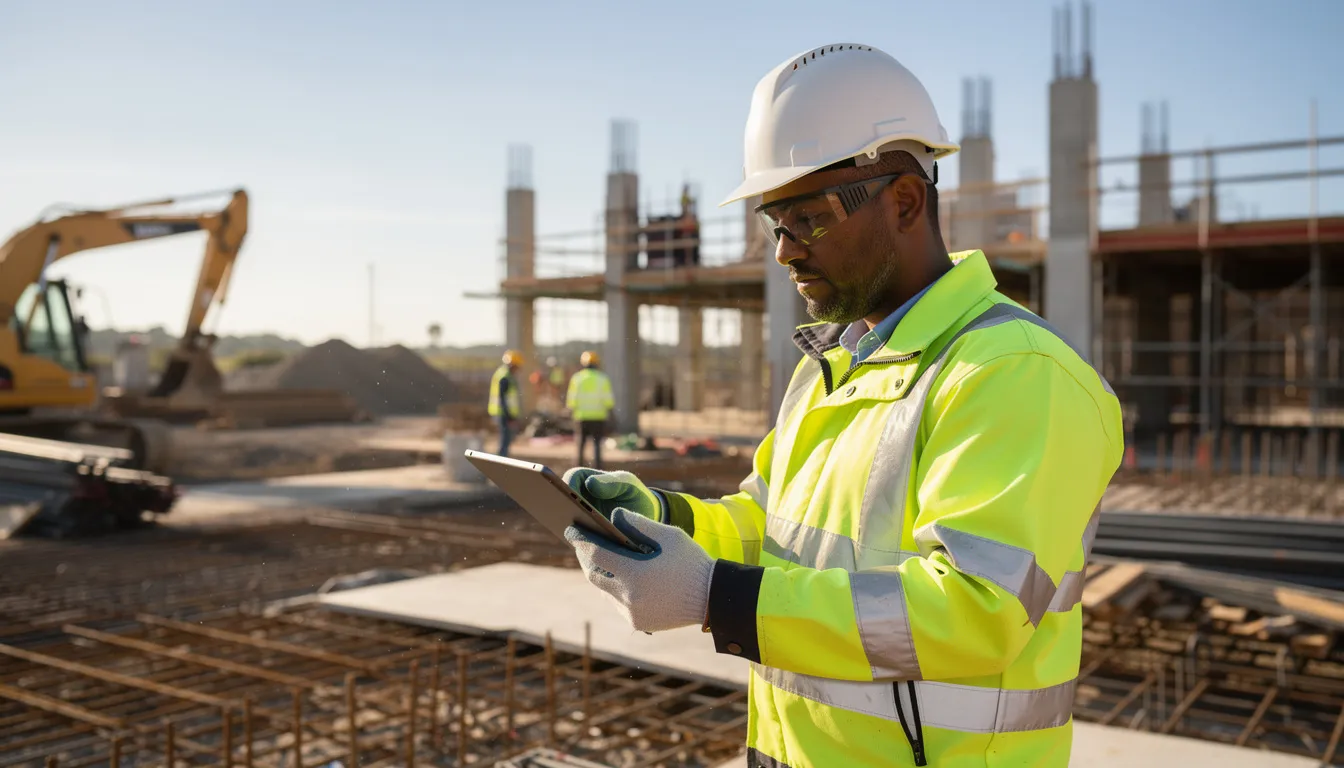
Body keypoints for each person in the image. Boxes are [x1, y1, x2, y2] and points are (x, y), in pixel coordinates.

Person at [560, 44, 1123, 768]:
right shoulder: (830, 368)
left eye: (809, 218)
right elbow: (771, 529)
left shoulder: (1012, 372)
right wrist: (667, 518)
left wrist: (715, 597)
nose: (785, 251)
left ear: (905, 202)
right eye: (775, 223)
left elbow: (977, 612)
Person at [566, 350, 614, 469]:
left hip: (581, 417)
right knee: (597, 445)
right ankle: (598, 469)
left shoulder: (577, 378)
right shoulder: (602, 378)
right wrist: (611, 413)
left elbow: (572, 399)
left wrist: (570, 411)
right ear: (596, 363)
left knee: (580, 444)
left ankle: (578, 469)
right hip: (598, 417)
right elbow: (608, 399)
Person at [487, 350, 523, 457]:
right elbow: (502, 398)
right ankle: (501, 460)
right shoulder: (505, 377)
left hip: (503, 412)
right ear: (513, 364)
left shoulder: (504, 374)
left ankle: (501, 459)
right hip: (503, 413)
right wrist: (509, 416)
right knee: (505, 440)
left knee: (506, 440)